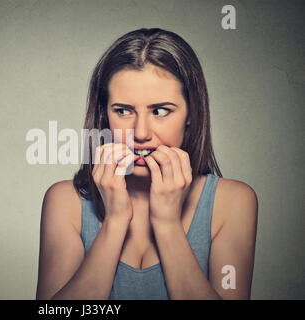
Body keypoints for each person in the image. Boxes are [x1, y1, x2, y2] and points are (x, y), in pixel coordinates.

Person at [35, 28, 258, 300]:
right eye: (123, 111)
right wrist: (115, 222)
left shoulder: (233, 203)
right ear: (105, 116)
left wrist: (166, 223)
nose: (140, 133)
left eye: (160, 111)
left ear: (191, 113)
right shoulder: (65, 201)